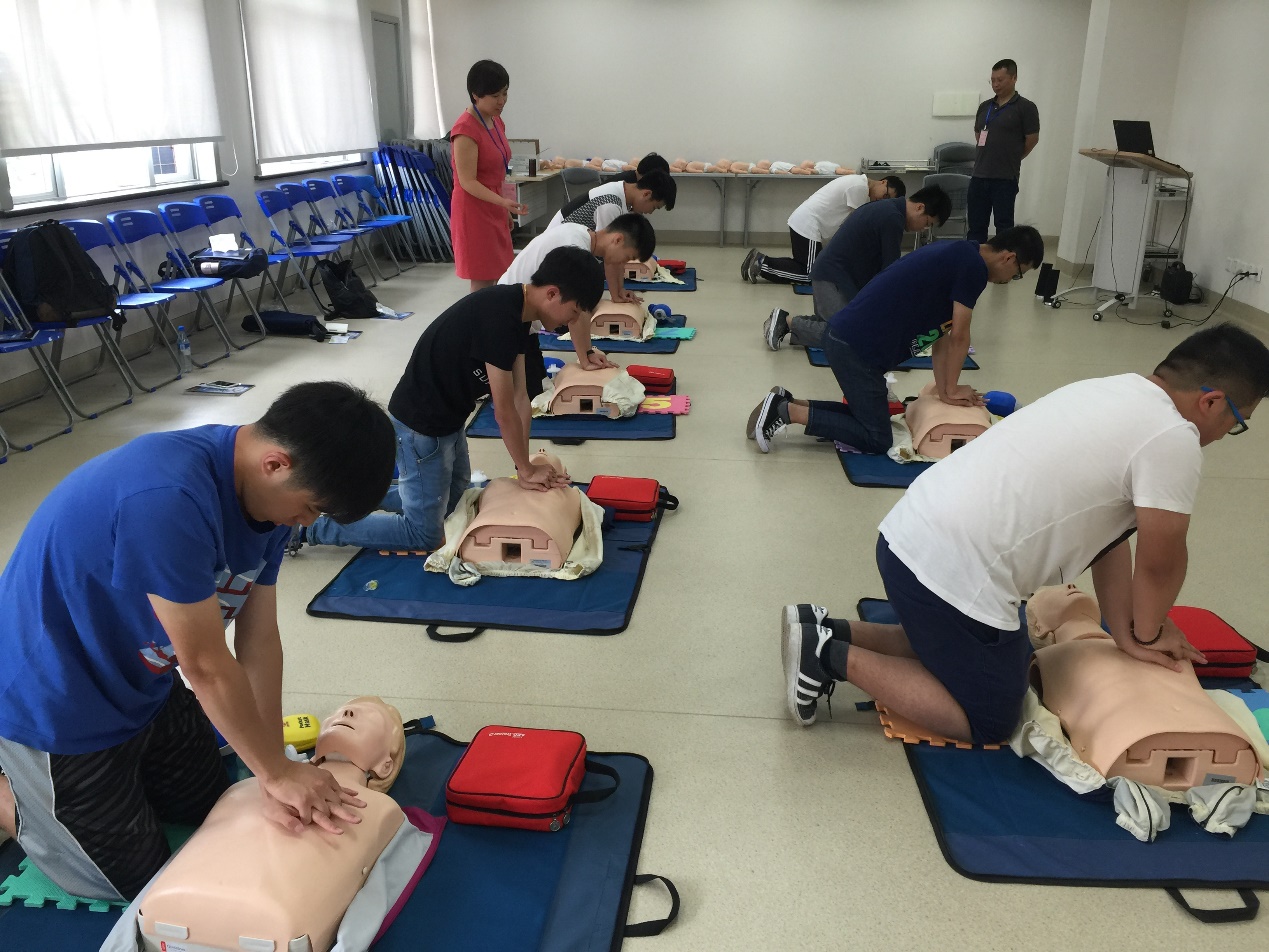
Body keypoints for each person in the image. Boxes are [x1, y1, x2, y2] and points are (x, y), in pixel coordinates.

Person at [781, 322, 1269, 746]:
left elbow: (1112, 540)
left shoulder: (1117, 388)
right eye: (1238, 421)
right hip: (950, 573)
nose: (1227, 433)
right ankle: (825, 656)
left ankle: (825, 627)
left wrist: (1125, 632)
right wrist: (1151, 631)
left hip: (908, 537)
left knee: (957, 650)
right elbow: (1162, 562)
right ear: (1211, 401)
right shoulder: (1173, 438)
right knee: (990, 717)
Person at [0, 383, 397, 900]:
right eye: (310, 509)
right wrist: (277, 773)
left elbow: (259, 641)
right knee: (136, 885)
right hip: (53, 699)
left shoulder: (267, 499)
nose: (306, 523)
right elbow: (206, 665)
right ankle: (12, 792)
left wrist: (272, 765)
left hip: (141, 681)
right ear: (275, 464)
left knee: (217, 803)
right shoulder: (167, 498)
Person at [298, 246, 606, 554]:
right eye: (574, 312)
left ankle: (347, 498)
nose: (571, 322)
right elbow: (503, 410)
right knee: (424, 535)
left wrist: (525, 466)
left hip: (448, 419)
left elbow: (520, 397)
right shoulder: (500, 316)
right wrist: (526, 470)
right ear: (552, 294)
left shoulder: (521, 314)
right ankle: (309, 529)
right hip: (421, 427)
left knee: (456, 503)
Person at [105, 697, 430, 952]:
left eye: (367, 715)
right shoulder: (248, 786)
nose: (345, 713)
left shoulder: (381, 810)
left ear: (386, 765)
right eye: (340, 711)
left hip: (247, 924)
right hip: (174, 914)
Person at [750, 226, 1044, 455]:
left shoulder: (962, 254)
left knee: (867, 417)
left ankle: (789, 401)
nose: (1009, 280)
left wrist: (946, 390)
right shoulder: (973, 268)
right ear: (1009, 258)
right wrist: (953, 389)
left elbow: (943, 337)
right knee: (877, 438)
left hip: (854, 340)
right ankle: (784, 412)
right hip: (858, 348)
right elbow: (960, 335)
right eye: (1018, 274)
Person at [763, 185, 951, 351]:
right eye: (927, 223)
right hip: (832, 279)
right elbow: (891, 274)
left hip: (836, 278)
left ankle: (786, 322)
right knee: (848, 337)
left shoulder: (889, 210)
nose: (923, 229)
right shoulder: (893, 218)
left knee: (844, 325)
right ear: (920, 207)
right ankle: (786, 323)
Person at [501, 212, 655, 377]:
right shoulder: (574, 246)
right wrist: (586, 358)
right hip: (509, 314)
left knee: (533, 381)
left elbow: (578, 309)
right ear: (618, 240)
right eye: (627, 257)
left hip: (523, 316)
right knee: (522, 383)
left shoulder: (579, 234)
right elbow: (575, 308)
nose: (623, 264)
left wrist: (588, 352)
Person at [450, 60, 529, 293]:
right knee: (483, 277)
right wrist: (503, 202)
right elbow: (467, 182)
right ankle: (478, 317)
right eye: (495, 96)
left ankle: (491, 315)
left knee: (499, 272)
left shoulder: (496, 121)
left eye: (505, 93)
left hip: (494, 203)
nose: (502, 101)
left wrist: (503, 208)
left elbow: (498, 169)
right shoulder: (465, 130)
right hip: (473, 208)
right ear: (476, 95)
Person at [741, 174, 906, 285]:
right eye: (885, 195)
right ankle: (761, 265)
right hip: (808, 225)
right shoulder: (860, 188)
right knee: (812, 276)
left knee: (804, 265)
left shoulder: (858, 183)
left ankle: (760, 260)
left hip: (805, 222)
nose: (882, 200)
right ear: (883, 182)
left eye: (887, 200)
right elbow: (858, 225)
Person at [967, 58, 1040, 243]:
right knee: (976, 226)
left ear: (1014, 78)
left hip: (1005, 178)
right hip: (979, 176)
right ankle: (974, 258)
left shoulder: (1026, 107)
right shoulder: (985, 107)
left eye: (1000, 80)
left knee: (1004, 227)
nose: (995, 84)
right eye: (992, 80)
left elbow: (1032, 139)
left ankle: (1003, 260)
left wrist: (1013, 157)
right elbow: (978, 134)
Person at [546, 169, 676, 232]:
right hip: (556, 250)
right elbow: (606, 250)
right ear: (646, 194)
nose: (650, 212)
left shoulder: (622, 191)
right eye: (654, 207)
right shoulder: (610, 203)